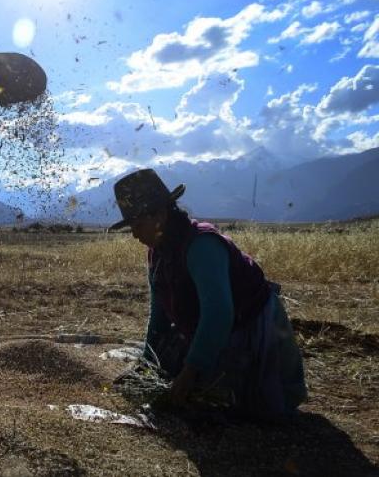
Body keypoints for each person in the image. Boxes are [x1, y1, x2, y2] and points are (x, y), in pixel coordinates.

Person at [109, 168, 307, 420]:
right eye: (131, 227)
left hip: (248, 329)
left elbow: (219, 314)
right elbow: (158, 315)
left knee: (222, 404)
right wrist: (145, 365)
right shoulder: (157, 252)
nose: (135, 234)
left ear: (159, 215)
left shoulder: (202, 246)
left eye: (138, 224)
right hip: (209, 328)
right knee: (172, 377)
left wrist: (191, 371)